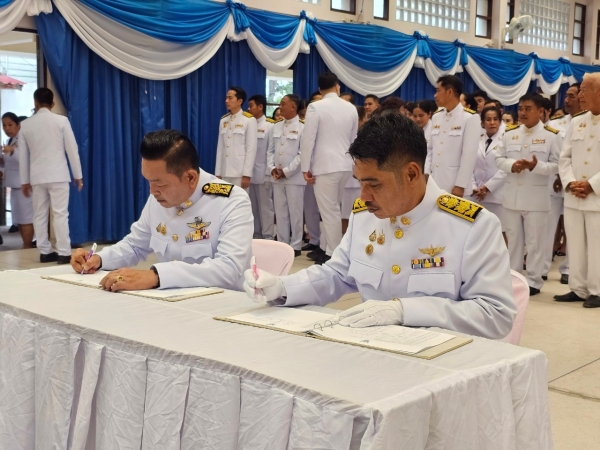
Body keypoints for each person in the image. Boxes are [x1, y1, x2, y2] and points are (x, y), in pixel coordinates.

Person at [243, 113, 516, 340]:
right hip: (373, 354)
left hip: (443, 364)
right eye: (359, 182)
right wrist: (283, 287)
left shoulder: (471, 226)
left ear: (411, 174)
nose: (363, 196)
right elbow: (337, 274)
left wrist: (405, 311)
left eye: (374, 184)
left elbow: (496, 314)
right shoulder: (366, 216)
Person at [70, 130, 253, 291]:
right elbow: (135, 245)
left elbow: (229, 269)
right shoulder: (158, 198)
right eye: (149, 181)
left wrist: (157, 276)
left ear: (190, 178)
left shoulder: (231, 201)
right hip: (171, 302)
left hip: (221, 305)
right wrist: (98, 259)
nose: (152, 191)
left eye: (160, 184)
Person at [494, 93, 561, 296]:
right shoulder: (510, 133)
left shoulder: (552, 135)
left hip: (536, 198)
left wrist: (535, 166)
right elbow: (499, 158)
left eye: (528, 109)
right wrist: (511, 165)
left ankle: (534, 281)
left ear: (540, 111)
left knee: (535, 242)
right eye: (521, 108)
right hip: (512, 196)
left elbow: (557, 165)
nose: (522, 112)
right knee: (513, 241)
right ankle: (514, 278)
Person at [19, 88, 83, 264]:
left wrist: (24, 181)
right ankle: (64, 252)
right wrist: (78, 174)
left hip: (37, 177)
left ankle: (45, 252)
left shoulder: (25, 124)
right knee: (60, 214)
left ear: (35, 103)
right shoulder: (61, 121)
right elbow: (72, 149)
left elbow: (23, 156)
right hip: (59, 174)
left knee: (39, 214)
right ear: (53, 103)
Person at [301, 72, 358, 265]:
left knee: (329, 211)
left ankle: (335, 255)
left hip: (325, 166)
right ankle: (326, 249)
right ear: (337, 86)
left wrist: (305, 167)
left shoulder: (315, 107)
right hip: (345, 164)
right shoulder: (351, 108)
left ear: (320, 89)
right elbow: (353, 140)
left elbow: (308, 139)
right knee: (333, 209)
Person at [554, 73, 600, 308]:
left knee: (597, 245)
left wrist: (592, 184)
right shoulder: (577, 121)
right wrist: (571, 182)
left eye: (584, 90)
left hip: (597, 197)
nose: (580, 95)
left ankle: (597, 290)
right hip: (574, 195)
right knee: (575, 244)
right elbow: (565, 158)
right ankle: (578, 288)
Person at [545, 83, 583, 284]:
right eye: (566, 96)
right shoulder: (555, 124)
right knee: (547, 226)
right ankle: (542, 267)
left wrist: (568, 179)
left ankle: (568, 268)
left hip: (575, 184)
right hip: (552, 182)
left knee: (572, 229)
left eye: (571, 96)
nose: (567, 100)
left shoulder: (589, 122)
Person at [427, 75, 481, 197]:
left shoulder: (470, 118)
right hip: (434, 182)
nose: (435, 95)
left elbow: (469, 155)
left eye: (438, 91)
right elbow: (430, 149)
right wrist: (426, 175)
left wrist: (460, 185)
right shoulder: (437, 116)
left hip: (454, 185)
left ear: (449, 92)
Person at [268, 95, 305, 256]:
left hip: (294, 178)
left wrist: (287, 171)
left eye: (283, 104)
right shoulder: (275, 126)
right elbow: (270, 151)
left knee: (295, 212)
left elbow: (302, 154)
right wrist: (272, 168)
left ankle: (296, 244)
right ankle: (282, 243)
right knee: (280, 211)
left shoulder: (303, 127)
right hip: (277, 177)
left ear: (293, 107)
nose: (280, 107)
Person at [471, 106, 507, 238]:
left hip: (497, 195)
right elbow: (469, 165)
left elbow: (505, 169)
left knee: (500, 232)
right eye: (488, 119)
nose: (492, 123)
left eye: (495, 119)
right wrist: (474, 187)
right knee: (478, 233)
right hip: (477, 195)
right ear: (482, 123)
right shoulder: (476, 139)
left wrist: (487, 187)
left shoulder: (506, 139)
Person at [1, 113, 34, 248]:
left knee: (26, 219)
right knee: (19, 219)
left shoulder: (24, 139)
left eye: (10, 125)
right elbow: (9, 162)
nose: (7, 128)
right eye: (4, 125)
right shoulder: (11, 140)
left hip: (24, 185)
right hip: (14, 184)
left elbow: (26, 159)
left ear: (18, 125)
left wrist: (13, 151)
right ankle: (25, 244)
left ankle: (27, 245)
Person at [215, 86, 257, 190]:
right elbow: (220, 148)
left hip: (240, 172)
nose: (226, 101)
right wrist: (218, 173)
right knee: (224, 199)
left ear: (239, 101)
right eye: (226, 98)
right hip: (224, 171)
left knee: (240, 199)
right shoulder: (223, 120)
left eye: (230, 98)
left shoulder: (249, 120)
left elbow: (251, 149)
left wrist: (247, 174)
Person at [247, 94, 276, 240]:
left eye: (251, 105)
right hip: (249, 173)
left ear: (260, 107)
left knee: (265, 208)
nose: (248, 109)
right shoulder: (247, 124)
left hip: (263, 173)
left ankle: (268, 236)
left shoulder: (270, 125)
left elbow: (271, 151)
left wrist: (268, 173)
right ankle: (256, 235)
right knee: (252, 207)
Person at [341, 106, 367, 234]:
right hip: (348, 180)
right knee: (346, 214)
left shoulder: (366, 135)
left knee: (359, 214)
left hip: (358, 181)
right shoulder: (345, 135)